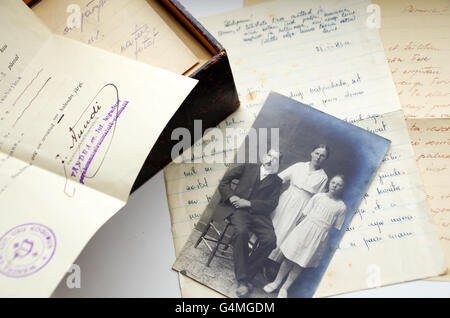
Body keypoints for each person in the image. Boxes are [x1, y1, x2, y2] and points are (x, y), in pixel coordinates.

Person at [264, 175, 347, 298]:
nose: (335, 186)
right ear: (329, 183)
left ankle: (285, 288)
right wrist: (298, 230)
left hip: (319, 236)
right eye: (333, 182)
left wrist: (323, 238)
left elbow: (336, 228)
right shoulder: (318, 197)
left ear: (342, 188)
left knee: (301, 263)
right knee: (289, 258)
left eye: (339, 184)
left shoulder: (341, 207)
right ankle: (276, 282)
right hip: (305, 229)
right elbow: (304, 214)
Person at [215, 149, 283, 298]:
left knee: (270, 240)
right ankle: (243, 280)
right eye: (269, 155)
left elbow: (271, 203)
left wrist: (250, 203)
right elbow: (224, 180)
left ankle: (246, 271)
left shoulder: (277, 181)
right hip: (238, 210)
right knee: (242, 232)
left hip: (259, 216)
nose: (271, 159)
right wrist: (231, 196)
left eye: (275, 159)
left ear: (278, 163)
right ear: (265, 156)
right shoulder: (248, 167)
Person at [268, 144, 329, 262]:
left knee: (287, 231)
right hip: (286, 199)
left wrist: (306, 215)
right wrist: (272, 196)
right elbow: (279, 179)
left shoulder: (323, 177)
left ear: (325, 159)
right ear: (312, 153)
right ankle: (255, 250)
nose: (318, 157)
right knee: (274, 223)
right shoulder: (299, 166)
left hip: (303, 206)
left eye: (322, 156)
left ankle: (271, 260)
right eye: (317, 153)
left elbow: (318, 199)